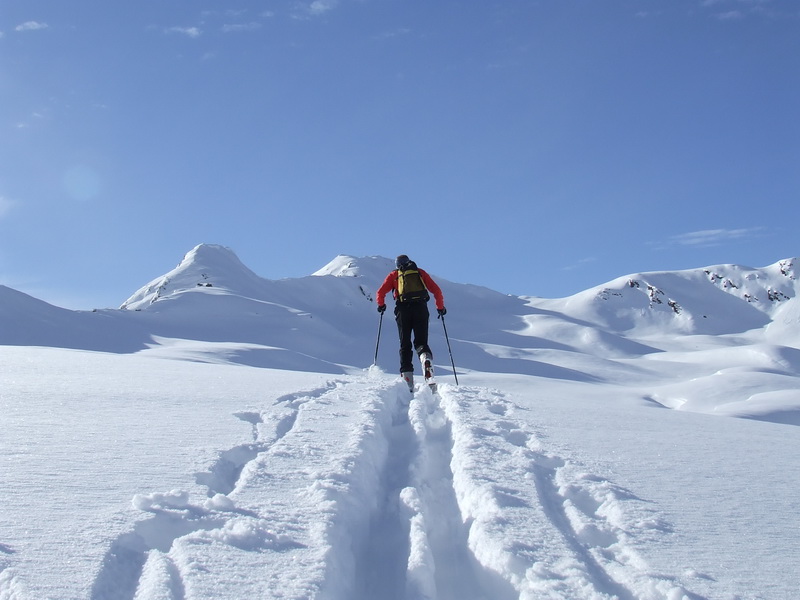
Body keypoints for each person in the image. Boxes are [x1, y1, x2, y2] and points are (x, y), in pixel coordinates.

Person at [376, 255, 446, 391]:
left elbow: (380, 292)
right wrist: (440, 307)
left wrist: (381, 305)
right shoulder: (419, 272)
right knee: (421, 342)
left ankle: (408, 380)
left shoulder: (394, 275)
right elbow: (436, 290)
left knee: (405, 343)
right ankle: (425, 358)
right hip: (421, 308)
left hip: (403, 310)